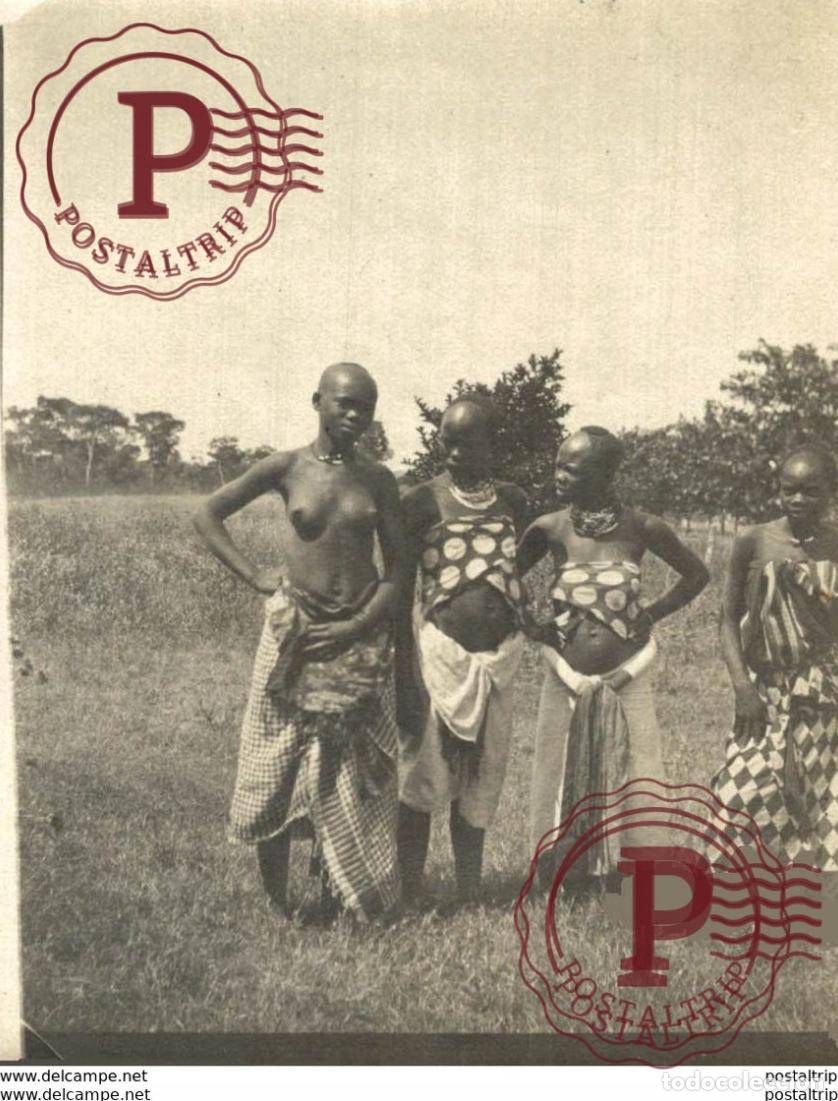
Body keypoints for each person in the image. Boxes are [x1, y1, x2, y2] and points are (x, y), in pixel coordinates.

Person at [193, 363, 408, 924]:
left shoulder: (379, 479)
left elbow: (399, 568)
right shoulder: (285, 466)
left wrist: (359, 625)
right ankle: (278, 901)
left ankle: (342, 893)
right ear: (318, 401)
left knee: (351, 768)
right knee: (277, 760)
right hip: (295, 634)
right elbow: (208, 513)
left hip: (359, 637)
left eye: (365, 406)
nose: (355, 415)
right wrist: (255, 576)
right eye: (344, 403)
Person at [518, 426, 709, 888]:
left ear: (605, 474)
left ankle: (632, 873)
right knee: (555, 770)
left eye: (572, 469)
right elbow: (503, 577)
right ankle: (558, 870)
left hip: (628, 679)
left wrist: (652, 614)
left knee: (637, 772)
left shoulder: (642, 528)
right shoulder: (550, 528)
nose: (559, 475)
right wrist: (533, 624)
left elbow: (696, 574)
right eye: (558, 465)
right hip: (565, 680)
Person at [396, 394, 529, 910]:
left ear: (492, 444)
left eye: (466, 442)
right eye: (446, 441)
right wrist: (404, 672)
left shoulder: (513, 501)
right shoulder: (420, 502)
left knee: (481, 773)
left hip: (498, 661)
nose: (452, 452)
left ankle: (469, 891)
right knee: (424, 773)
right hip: (439, 659)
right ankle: (411, 890)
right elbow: (401, 591)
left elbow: (514, 564)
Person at [712, 445, 838, 870]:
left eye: (811, 491)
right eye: (789, 490)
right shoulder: (752, 539)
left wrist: (818, 588)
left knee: (819, 792)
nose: (798, 500)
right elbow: (728, 620)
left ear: (831, 492)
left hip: (822, 690)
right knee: (743, 788)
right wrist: (742, 688)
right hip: (764, 688)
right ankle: (738, 883)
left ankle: (813, 887)